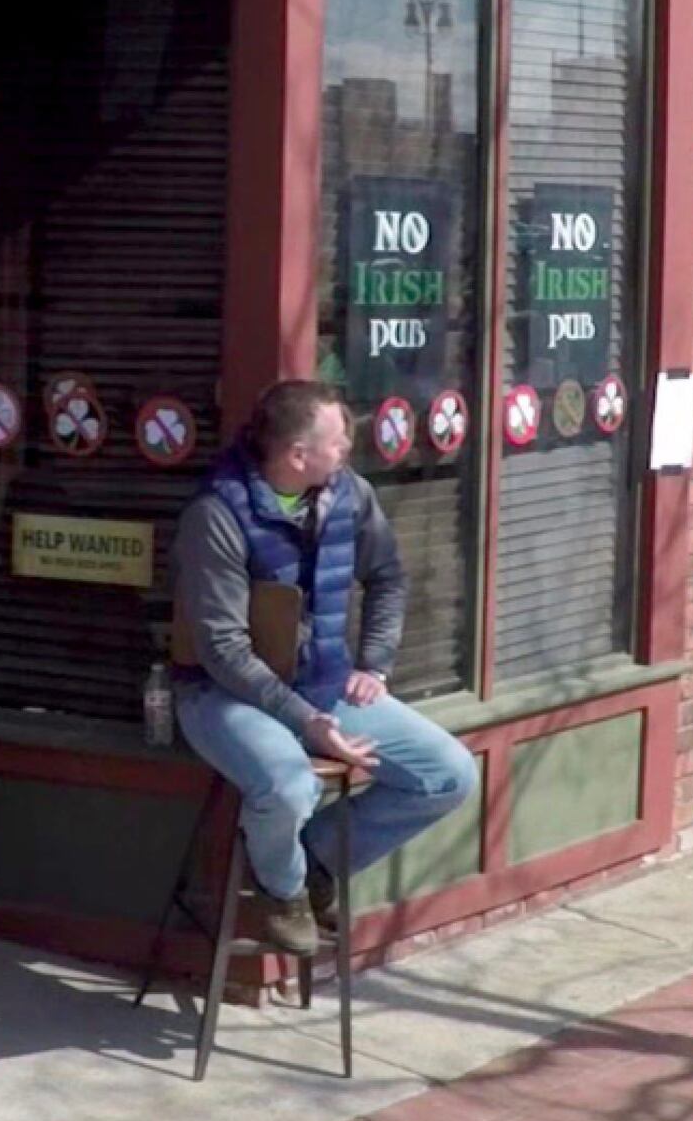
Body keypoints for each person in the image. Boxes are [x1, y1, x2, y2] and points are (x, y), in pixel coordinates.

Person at [169, 379, 478, 957]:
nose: (348, 450)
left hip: (325, 684)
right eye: (338, 441)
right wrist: (307, 721)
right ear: (297, 455)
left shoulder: (351, 495)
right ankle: (282, 893)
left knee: (449, 773)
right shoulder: (216, 515)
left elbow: (388, 578)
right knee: (289, 785)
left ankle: (313, 861)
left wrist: (376, 665)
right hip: (226, 697)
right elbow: (223, 650)